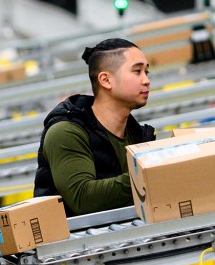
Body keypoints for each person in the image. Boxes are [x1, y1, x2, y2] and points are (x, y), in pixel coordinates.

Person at [34, 38, 156, 216]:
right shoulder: (65, 132)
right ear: (106, 80)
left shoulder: (137, 134)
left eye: (147, 72)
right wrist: (152, 174)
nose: (146, 80)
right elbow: (82, 198)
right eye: (137, 71)